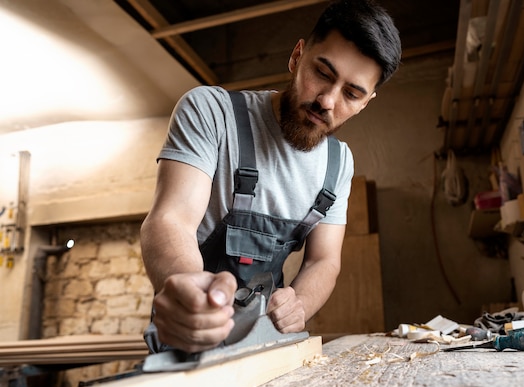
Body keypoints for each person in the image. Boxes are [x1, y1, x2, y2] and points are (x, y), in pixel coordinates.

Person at [140, 0, 402, 354]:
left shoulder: (339, 164)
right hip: (186, 338)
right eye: (322, 73)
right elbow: (171, 219)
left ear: (365, 102)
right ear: (297, 56)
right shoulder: (211, 113)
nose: (327, 100)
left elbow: (323, 261)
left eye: (351, 94)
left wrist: (300, 304)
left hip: (263, 347)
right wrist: (190, 289)